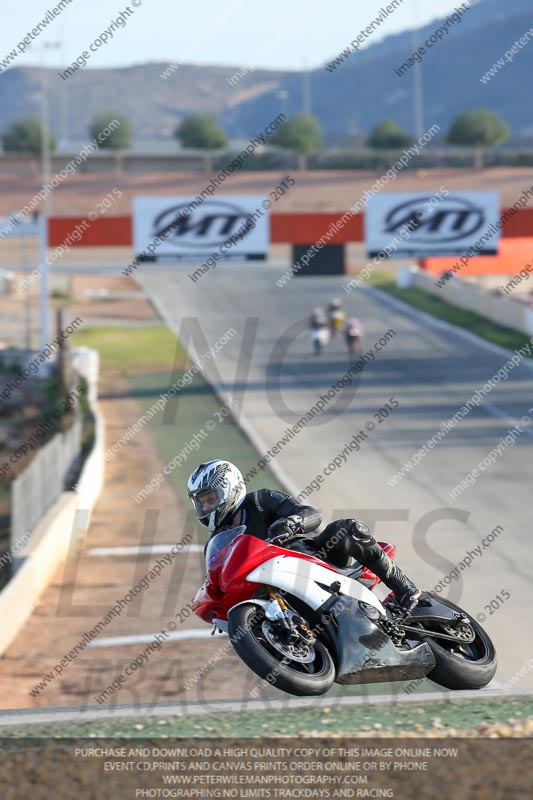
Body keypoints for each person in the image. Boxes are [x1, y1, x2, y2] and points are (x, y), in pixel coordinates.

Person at [188, 459, 421, 612]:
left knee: (346, 529)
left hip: (312, 556)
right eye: (202, 502)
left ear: (229, 489)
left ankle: (404, 588)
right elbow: (218, 577)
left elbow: (311, 515)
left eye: (211, 499)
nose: (207, 507)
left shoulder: (260, 501)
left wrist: (292, 522)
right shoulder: (216, 541)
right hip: (270, 588)